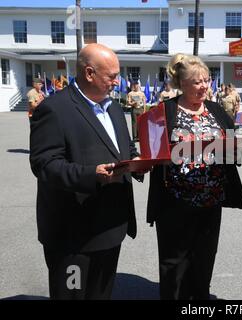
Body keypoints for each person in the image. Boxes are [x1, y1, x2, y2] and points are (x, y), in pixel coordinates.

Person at [29, 43, 143, 300]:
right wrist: (92, 174)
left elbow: (123, 146)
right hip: (74, 237)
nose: (118, 82)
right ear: (89, 73)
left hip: (110, 227)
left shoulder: (113, 107)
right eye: (112, 76)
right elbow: (44, 164)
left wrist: (137, 160)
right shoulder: (54, 109)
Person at [146, 53, 242, 300]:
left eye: (207, 80)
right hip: (175, 202)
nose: (204, 86)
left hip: (211, 201)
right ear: (181, 84)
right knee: (174, 265)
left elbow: (233, 152)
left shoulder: (217, 110)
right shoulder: (161, 113)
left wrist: (236, 148)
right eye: (197, 82)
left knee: (203, 262)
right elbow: (150, 156)